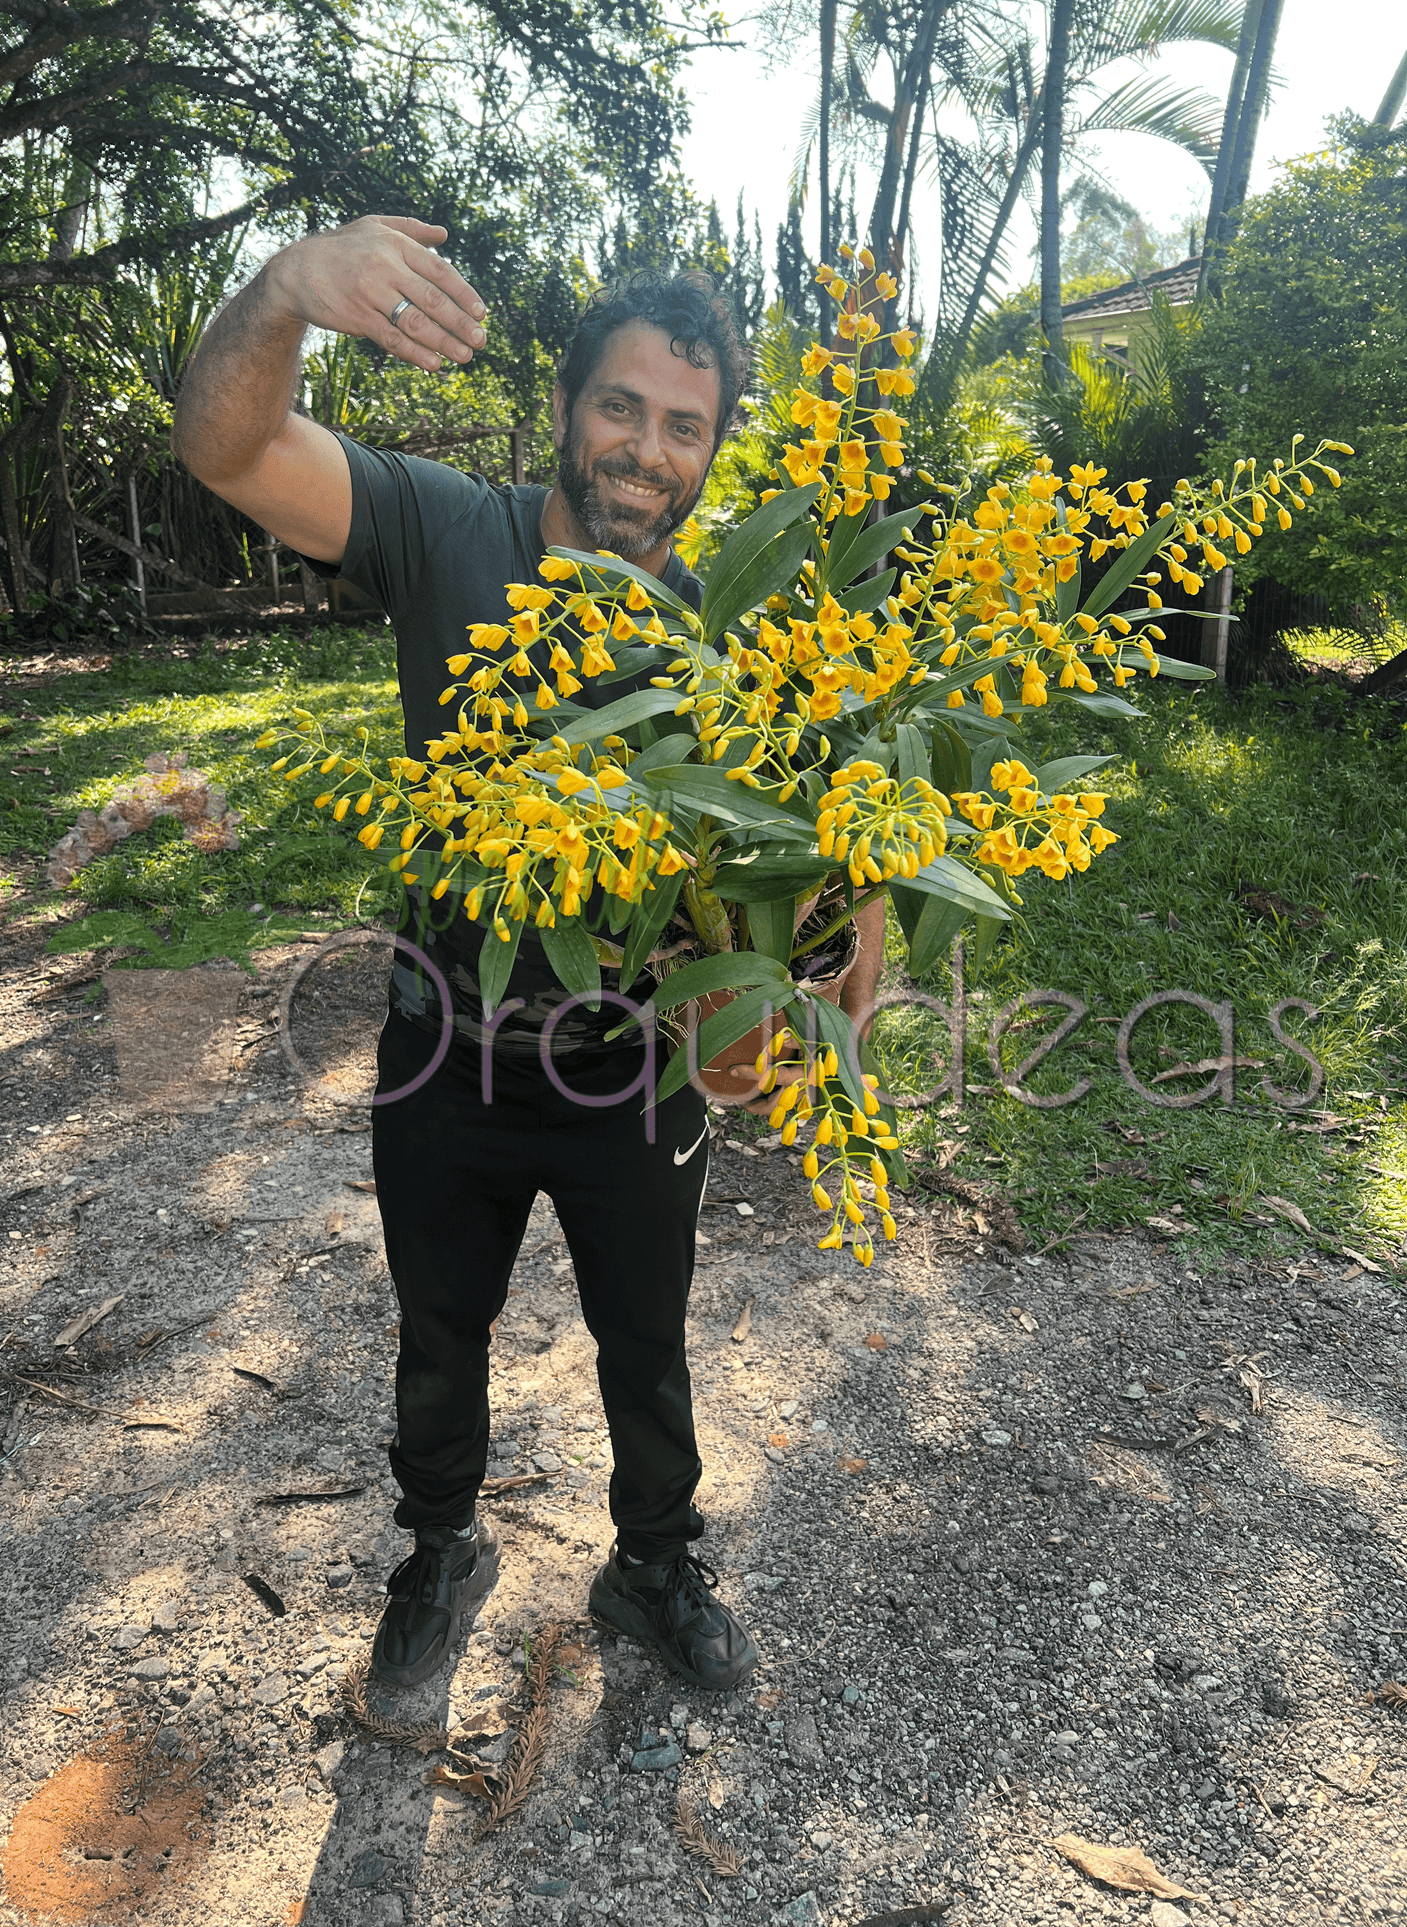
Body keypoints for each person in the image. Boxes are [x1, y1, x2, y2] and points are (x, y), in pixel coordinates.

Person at [172, 215, 881, 1697]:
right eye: (621, 405)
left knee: (649, 1338)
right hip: (448, 1049)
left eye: (684, 426)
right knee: (440, 1332)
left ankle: (654, 1558)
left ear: (714, 453)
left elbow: (818, 858)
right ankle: (440, 1547)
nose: (646, 447)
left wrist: (824, 975)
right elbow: (230, 449)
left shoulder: (734, 630)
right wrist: (292, 290)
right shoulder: (446, 529)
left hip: (640, 1074)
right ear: (567, 405)